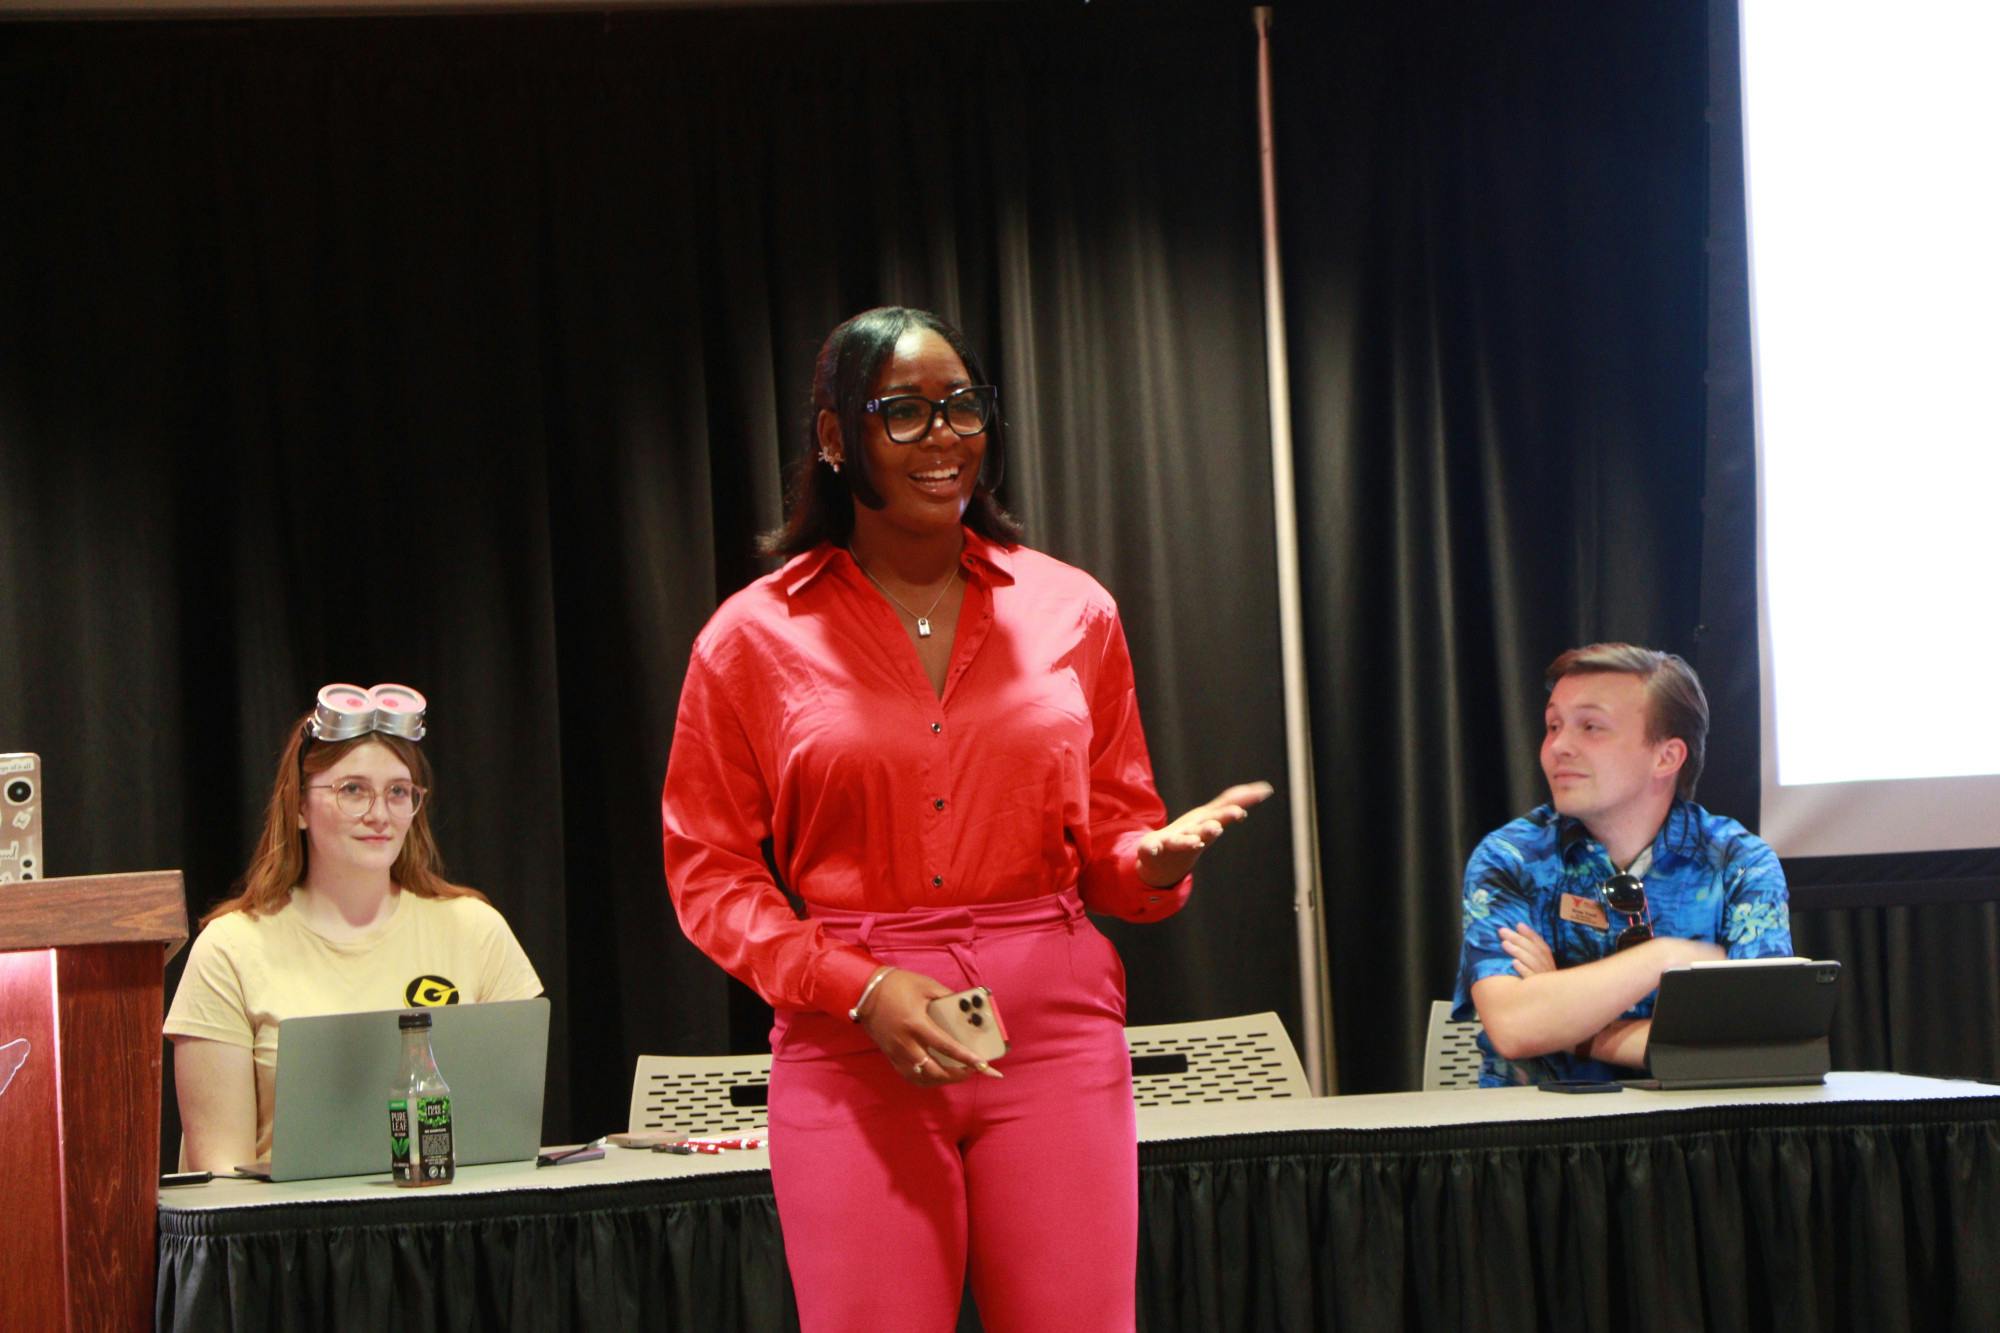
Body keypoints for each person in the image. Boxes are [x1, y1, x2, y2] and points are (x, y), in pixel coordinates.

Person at [660, 306, 1269, 1331]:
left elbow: (1115, 847)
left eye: (962, 406)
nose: (943, 436)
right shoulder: (751, 637)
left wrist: (1151, 861)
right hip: (855, 1049)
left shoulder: (1072, 609)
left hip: (1054, 1040)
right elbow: (709, 873)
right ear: (831, 438)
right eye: (902, 412)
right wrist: (855, 987)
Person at [166, 684, 542, 1170]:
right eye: (353, 790)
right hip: (287, 1240)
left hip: (445, 1234)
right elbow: (220, 1183)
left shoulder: (476, 931)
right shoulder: (231, 948)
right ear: (299, 807)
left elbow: (509, 1146)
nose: (379, 814)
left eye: (398, 792)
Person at [1454, 643, 1792, 1086]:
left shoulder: (1738, 864)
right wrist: (1668, 956)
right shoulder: (1511, 859)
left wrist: (1567, 1023)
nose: (1558, 747)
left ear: (1666, 757)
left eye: (1591, 727)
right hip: (1534, 1136)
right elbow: (1516, 1029)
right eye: (1553, 725)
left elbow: (1758, 1046)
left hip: (1698, 1134)